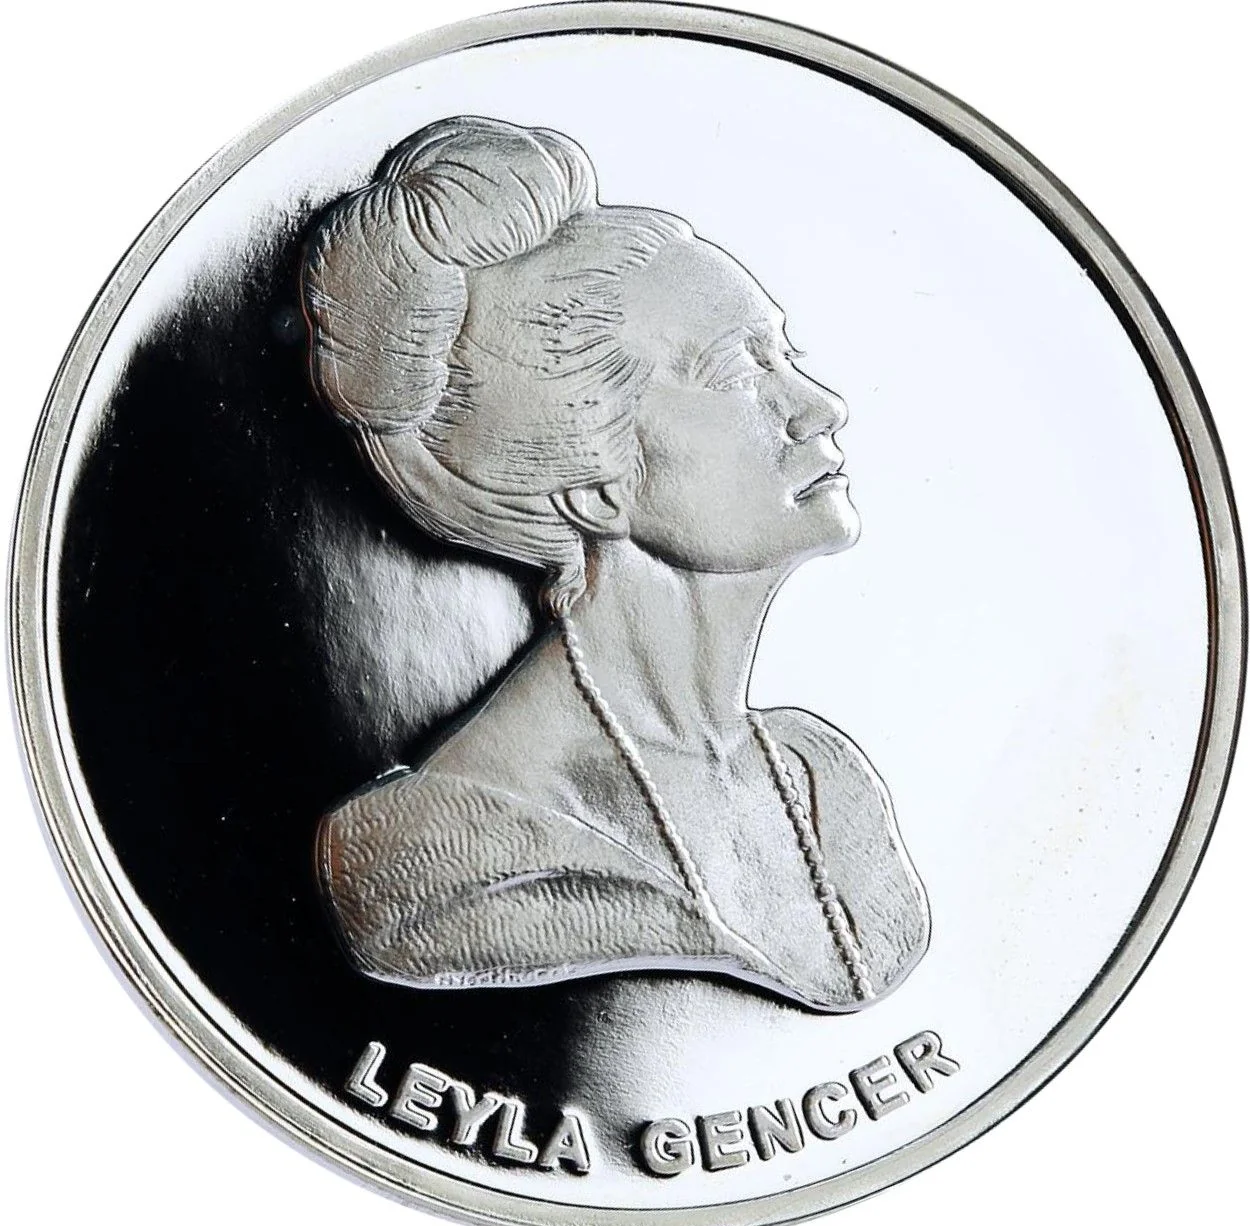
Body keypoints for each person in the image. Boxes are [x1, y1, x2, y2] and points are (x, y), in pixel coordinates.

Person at [302, 116, 929, 1013]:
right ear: (595, 489)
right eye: (737, 372)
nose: (819, 406)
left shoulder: (821, 778)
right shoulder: (427, 855)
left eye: (785, 357)